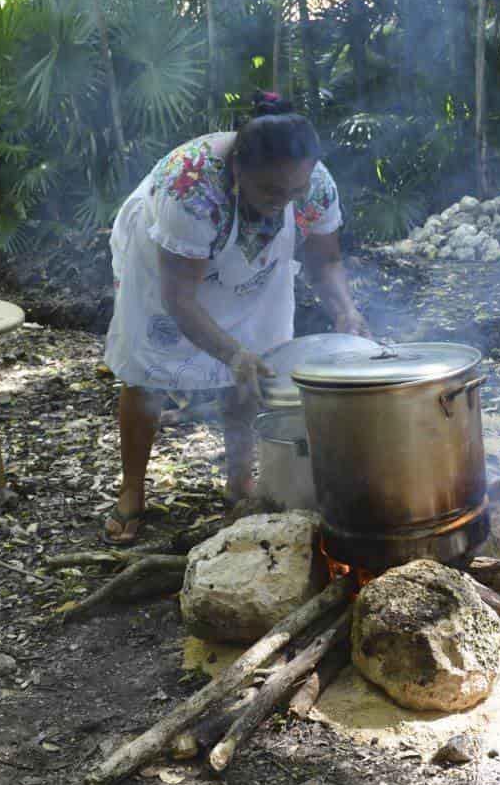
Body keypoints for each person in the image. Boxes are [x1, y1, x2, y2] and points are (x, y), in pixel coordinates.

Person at [102, 92, 371, 544]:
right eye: (270, 191)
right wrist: (230, 351)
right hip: (168, 268)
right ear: (239, 170)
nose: (282, 201)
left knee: (255, 366)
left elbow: (325, 262)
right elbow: (180, 298)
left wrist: (346, 309)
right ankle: (132, 490)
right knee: (146, 373)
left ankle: (239, 484)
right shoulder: (189, 189)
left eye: (294, 192)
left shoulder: (314, 185)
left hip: (254, 267)